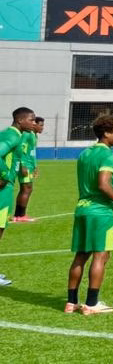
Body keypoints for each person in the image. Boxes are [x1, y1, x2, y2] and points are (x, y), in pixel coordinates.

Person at [65, 114, 113, 314]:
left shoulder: (85, 153)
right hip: (100, 211)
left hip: (82, 208)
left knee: (80, 256)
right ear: (106, 133)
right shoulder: (108, 155)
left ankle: (71, 302)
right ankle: (91, 303)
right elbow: (103, 184)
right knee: (101, 256)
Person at [0, 107, 37, 286]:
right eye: (31, 119)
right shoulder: (13, 136)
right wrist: (3, 175)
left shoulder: (14, 134)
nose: (34, 123)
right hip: (3, 188)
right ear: (20, 120)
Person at [13, 116, 44, 222]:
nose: (42, 128)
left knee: (27, 188)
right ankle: (20, 215)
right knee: (26, 188)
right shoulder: (27, 134)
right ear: (34, 125)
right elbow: (20, 149)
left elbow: (32, 152)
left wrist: (35, 166)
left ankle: (19, 215)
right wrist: (22, 165)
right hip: (25, 165)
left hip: (30, 165)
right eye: (41, 125)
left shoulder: (34, 135)